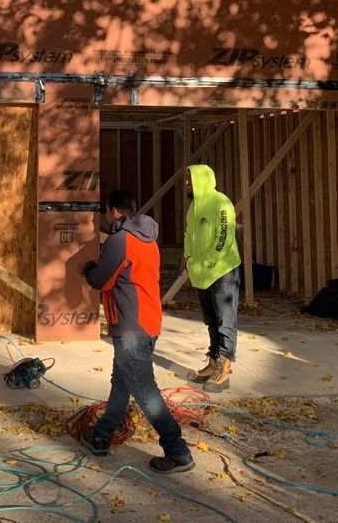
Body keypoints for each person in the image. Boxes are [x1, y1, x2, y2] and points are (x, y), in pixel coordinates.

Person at [80, 190, 194, 474]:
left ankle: (177, 451)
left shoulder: (121, 240)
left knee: (144, 389)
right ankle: (102, 435)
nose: (106, 216)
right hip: (148, 322)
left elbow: (102, 281)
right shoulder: (148, 240)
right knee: (122, 381)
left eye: (107, 211)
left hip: (132, 325)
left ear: (114, 211)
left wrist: (88, 268)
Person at [184, 163, 242, 390]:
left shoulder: (221, 203)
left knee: (225, 321)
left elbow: (224, 238)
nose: (187, 184)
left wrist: (206, 263)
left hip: (222, 271)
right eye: (186, 180)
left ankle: (225, 369)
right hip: (201, 274)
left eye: (189, 180)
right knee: (210, 320)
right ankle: (214, 360)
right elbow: (188, 237)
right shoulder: (193, 208)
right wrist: (190, 262)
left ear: (201, 180)